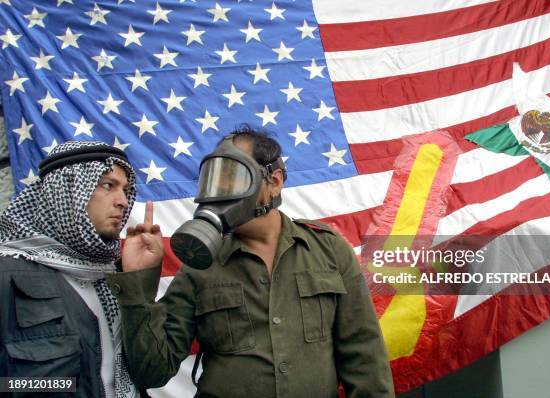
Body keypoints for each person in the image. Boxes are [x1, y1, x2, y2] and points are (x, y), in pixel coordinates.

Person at [106, 127, 395, 397]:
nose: (220, 190)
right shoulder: (201, 264)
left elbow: (364, 356)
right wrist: (138, 286)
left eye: (232, 175)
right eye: (215, 178)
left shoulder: (327, 249)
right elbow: (152, 371)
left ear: (275, 182)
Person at [0, 140, 161, 398]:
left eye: (126, 189)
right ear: (66, 190)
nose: (122, 201)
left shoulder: (116, 274)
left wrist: (137, 281)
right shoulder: (8, 273)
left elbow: (153, 372)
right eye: (108, 186)